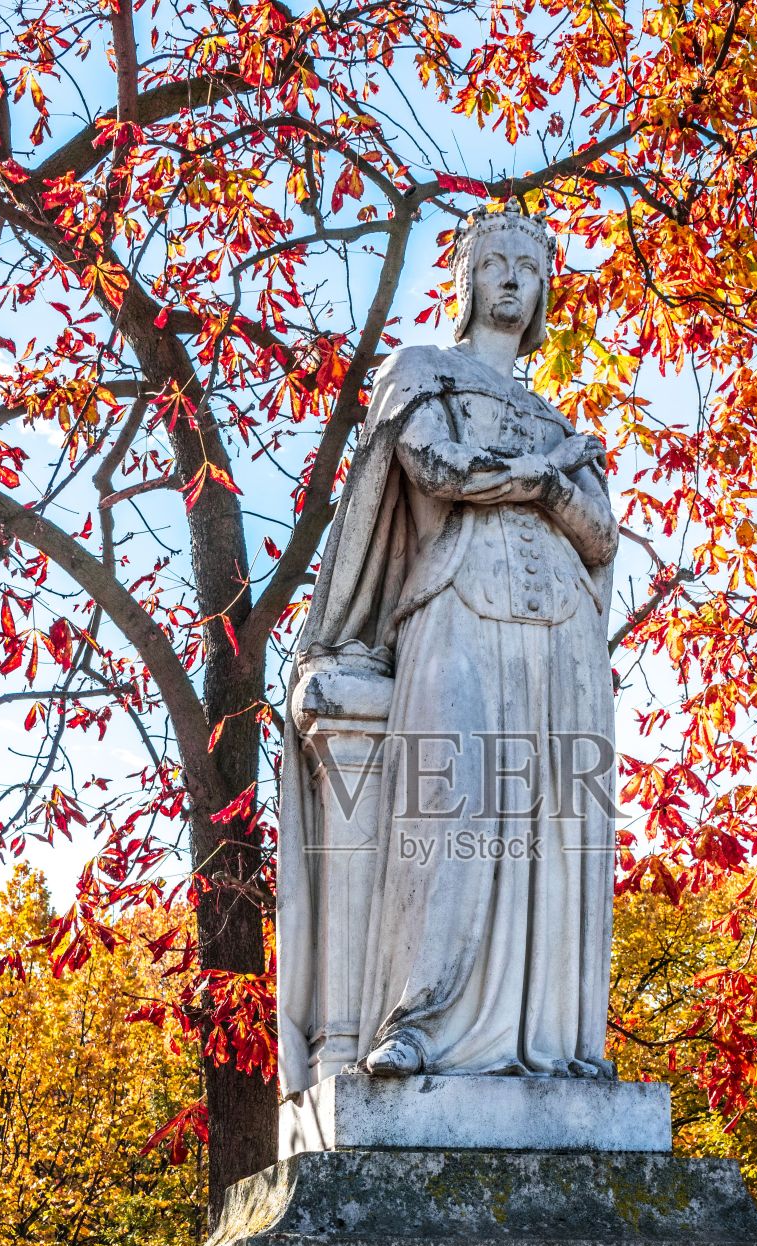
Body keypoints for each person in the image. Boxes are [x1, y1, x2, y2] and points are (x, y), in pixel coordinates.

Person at [280, 203, 618, 1081]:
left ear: (545, 288)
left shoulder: (550, 414)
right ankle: (416, 1021)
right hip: (454, 605)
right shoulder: (421, 370)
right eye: (495, 262)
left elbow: (599, 535)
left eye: (529, 265)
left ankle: (548, 1043)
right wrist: (548, 476)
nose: (512, 277)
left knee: (554, 822)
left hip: (562, 636)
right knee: (450, 810)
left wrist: (542, 487)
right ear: (465, 280)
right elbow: (436, 470)